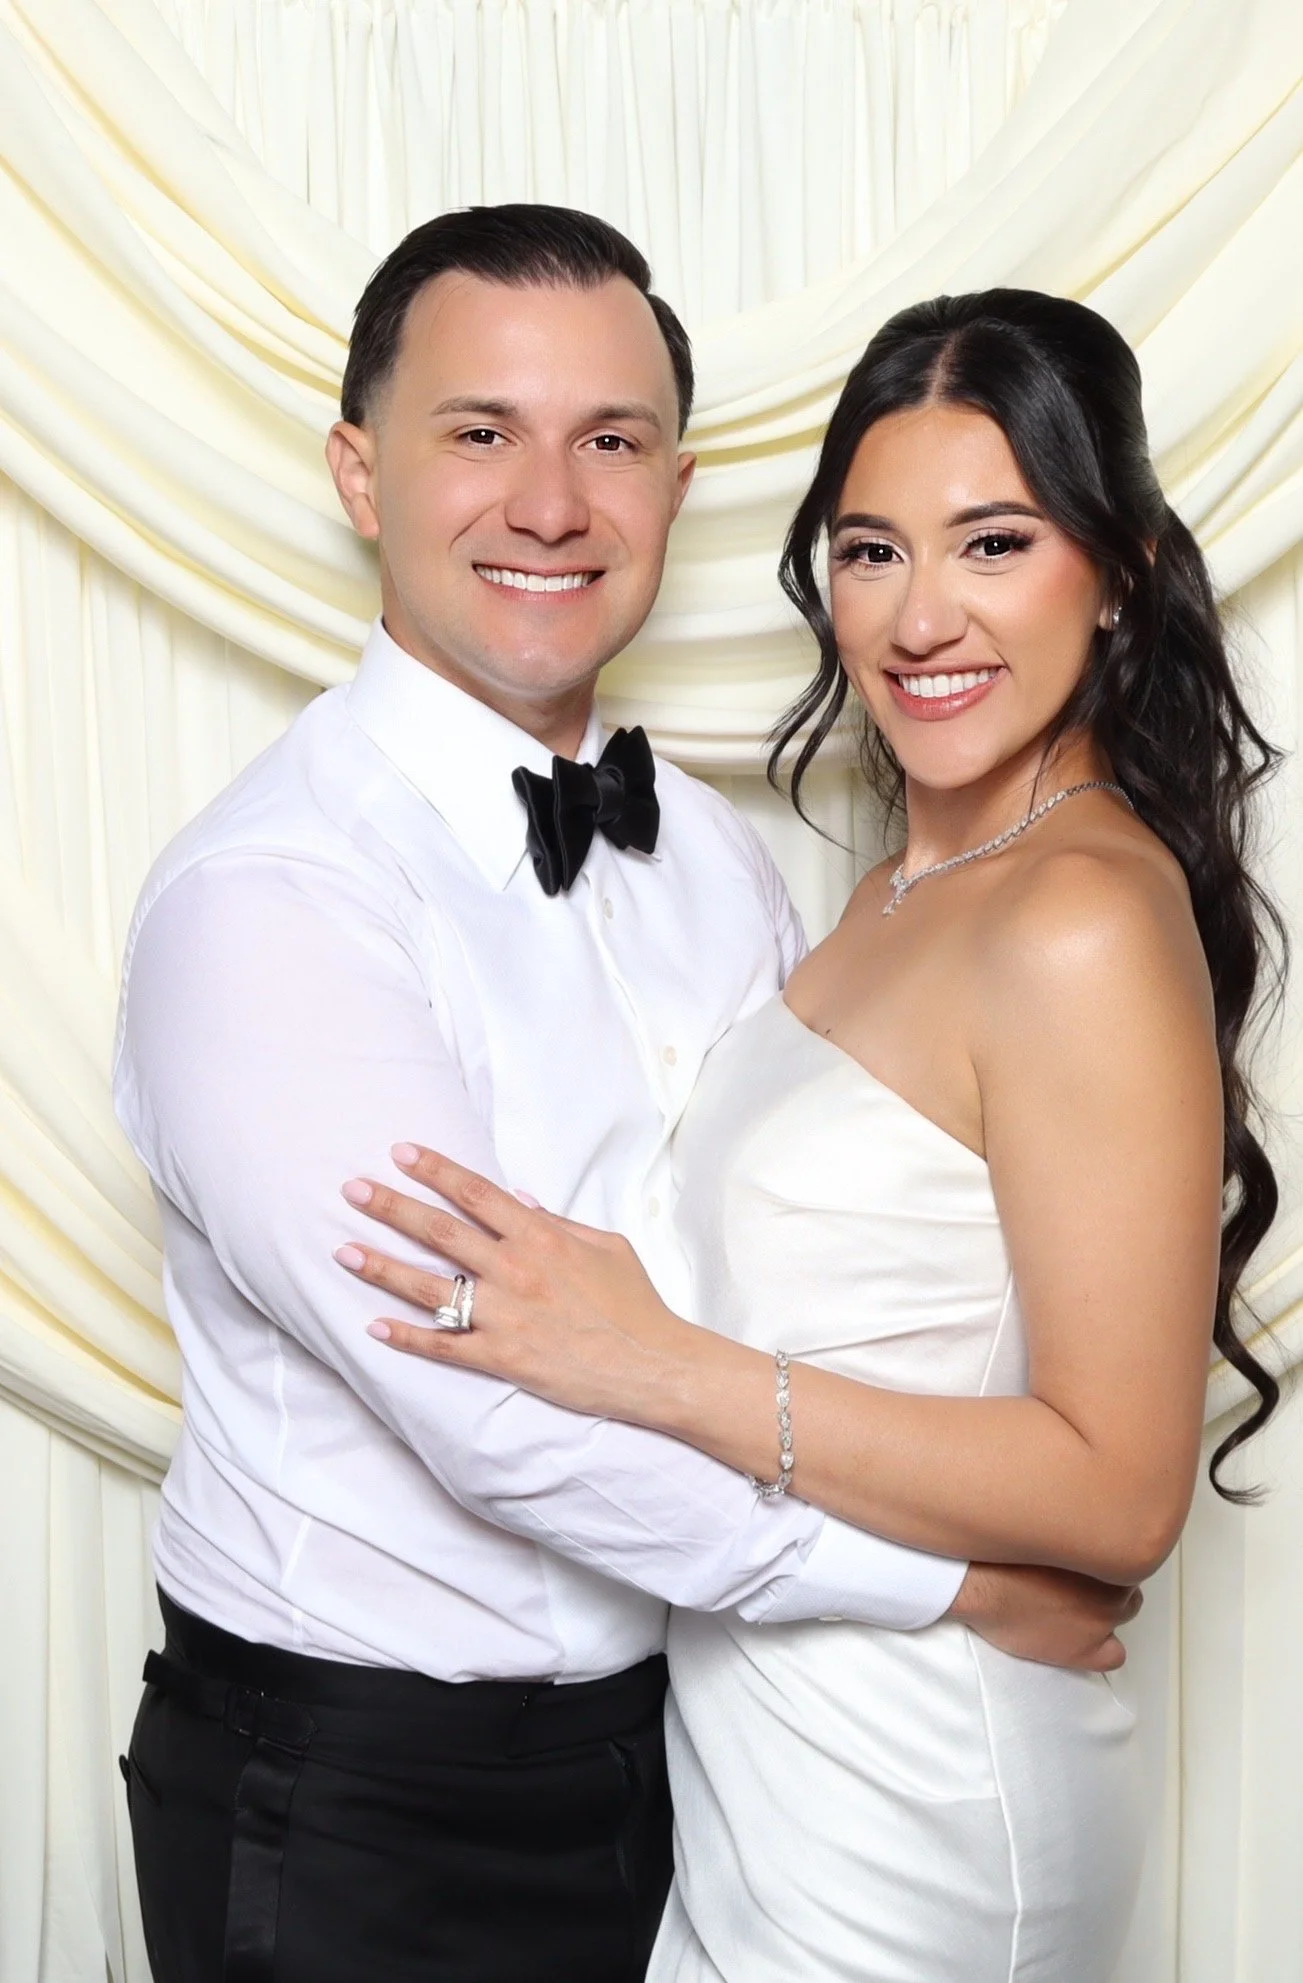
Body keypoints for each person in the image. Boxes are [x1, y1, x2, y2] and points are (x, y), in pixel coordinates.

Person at [112, 217, 1131, 1983]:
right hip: (357, 1789)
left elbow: (779, 1291)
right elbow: (493, 1413)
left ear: (676, 485)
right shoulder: (274, 898)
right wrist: (950, 1583)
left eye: (610, 439)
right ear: (359, 473)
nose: (551, 504)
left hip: (697, 1760)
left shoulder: (722, 865)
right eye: (480, 432)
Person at [340, 288, 1284, 1980]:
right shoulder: (893, 890)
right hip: (762, 1763)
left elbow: (1117, 1484)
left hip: (920, 1787)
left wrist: (657, 1365)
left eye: (993, 543)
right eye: (869, 551)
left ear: (1116, 572)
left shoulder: (1074, 916)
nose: (921, 617)